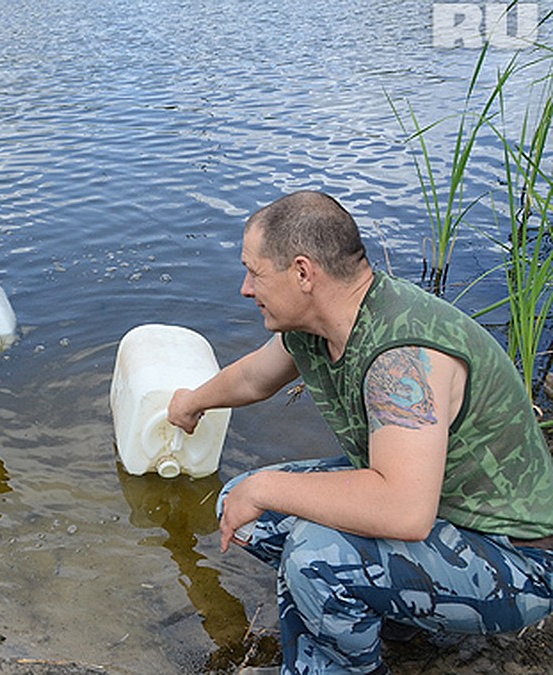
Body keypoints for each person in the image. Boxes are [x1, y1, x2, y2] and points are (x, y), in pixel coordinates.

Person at [167, 191, 553, 674]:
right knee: (240, 510)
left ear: (303, 274)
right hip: (446, 517)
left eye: (255, 272)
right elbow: (252, 378)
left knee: (314, 557)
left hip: (518, 559)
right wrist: (190, 403)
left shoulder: (401, 355)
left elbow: (405, 512)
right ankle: (396, 620)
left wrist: (266, 486)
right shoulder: (321, 323)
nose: (246, 288)